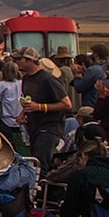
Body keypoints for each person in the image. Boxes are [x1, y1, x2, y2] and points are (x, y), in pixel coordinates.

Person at [14, 45, 70, 173]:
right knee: (36, 161)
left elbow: (66, 104)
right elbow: (30, 99)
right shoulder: (27, 78)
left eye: (19, 59)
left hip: (50, 128)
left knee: (40, 164)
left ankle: (43, 191)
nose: (16, 62)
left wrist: (39, 107)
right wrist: (23, 112)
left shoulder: (47, 79)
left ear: (30, 61)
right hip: (35, 127)